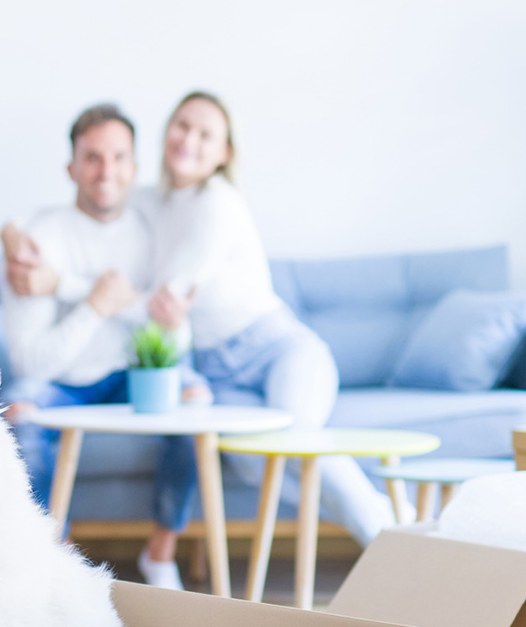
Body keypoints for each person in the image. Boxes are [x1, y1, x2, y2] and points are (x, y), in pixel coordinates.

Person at [138, 91, 393, 556]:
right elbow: (104, 214)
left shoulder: (219, 202)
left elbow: (172, 290)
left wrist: (120, 298)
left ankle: (389, 540)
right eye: (182, 125)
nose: (189, 139)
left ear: (224, 154)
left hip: (280, 349)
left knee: (296, 441)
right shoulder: (154, 204)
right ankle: (381, 517)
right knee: (253, 464)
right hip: (217, 371)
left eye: (205, 133)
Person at [0, 103, 205, 589]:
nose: (106, 171)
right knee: (19, 411)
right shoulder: (36, 244)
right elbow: (30, 361)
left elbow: (172, 332)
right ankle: (57, 558)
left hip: (134, 375)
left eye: (118, 158)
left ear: (135, 167)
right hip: (61, 382)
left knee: (196, 400)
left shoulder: (157, 229)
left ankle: (161, 553)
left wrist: (73, 288)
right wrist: (94, 304)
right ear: (71, 167)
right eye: (92, 158)